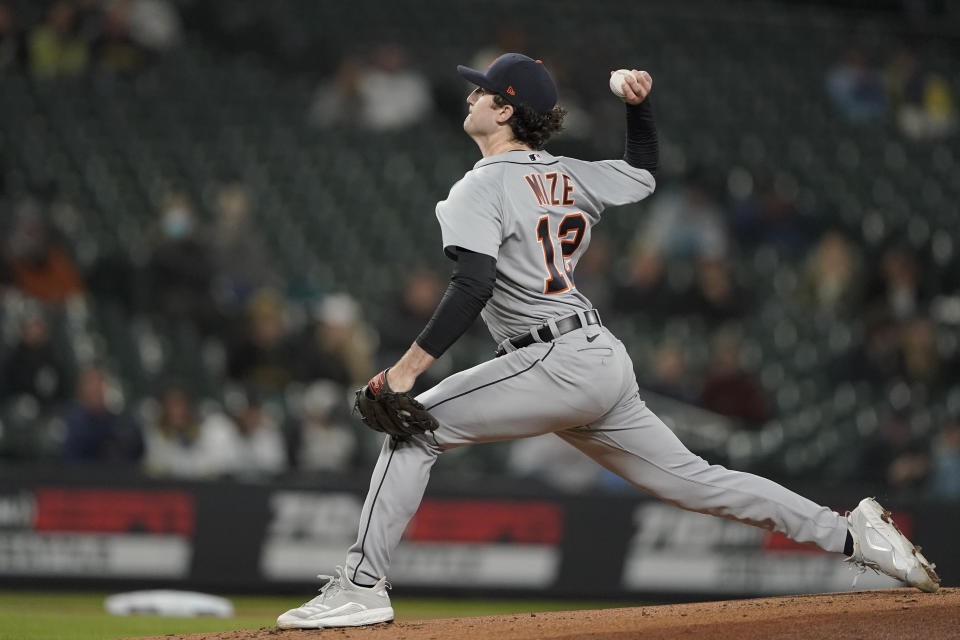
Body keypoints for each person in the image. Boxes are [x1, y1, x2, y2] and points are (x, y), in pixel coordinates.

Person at [277, 54, 939, 630]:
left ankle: (360, 589)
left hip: (552, 360)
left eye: (483, 90)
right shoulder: (573, 175)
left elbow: (472, 282)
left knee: (413, 429)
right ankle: (854, 533)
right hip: (596, 358)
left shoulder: (479, 185)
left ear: (505, 110)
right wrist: (639, 109)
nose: (471, 96)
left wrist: (402, 373)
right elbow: (645, 173)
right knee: (702, 482)